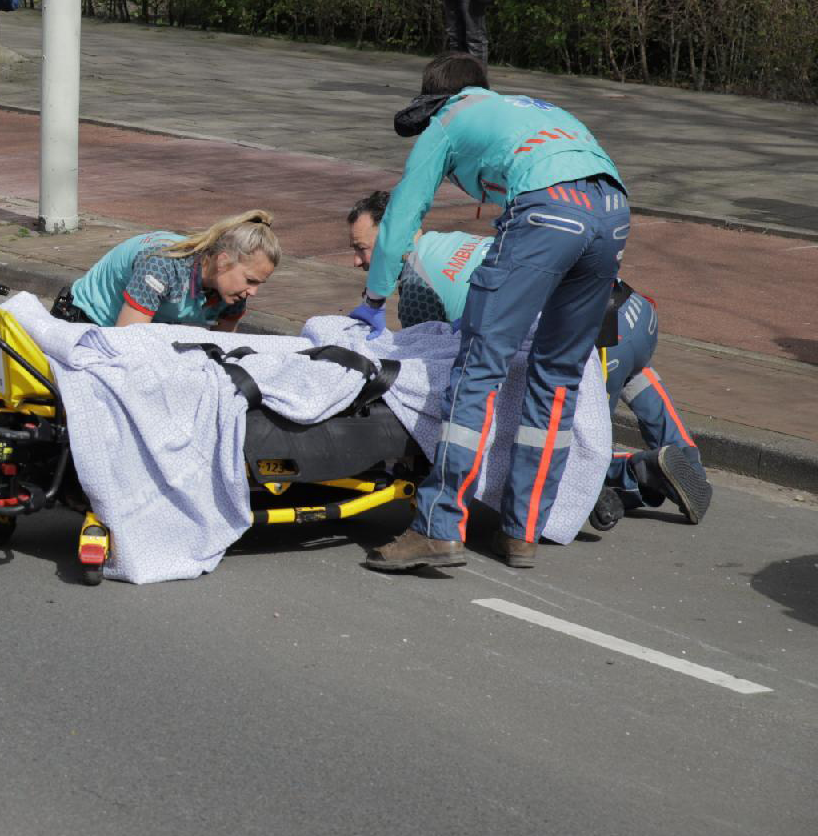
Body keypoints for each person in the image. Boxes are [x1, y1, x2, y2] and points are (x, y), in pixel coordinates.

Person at [352, 52, 631, 572]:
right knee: (557, 377)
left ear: (436, 98)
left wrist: (372, 301)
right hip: (612, 210)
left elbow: (402, 214)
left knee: (478, 368)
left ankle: (437, 527)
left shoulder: (448, 118)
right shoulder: (534, 108)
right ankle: (522, 532)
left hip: (548, 209)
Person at [345, 191, 711, 527]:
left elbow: (432, 368)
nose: (358, 261)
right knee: (635, 373)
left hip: (582, 336)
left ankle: (641, 472)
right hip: (631, 312)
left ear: (395, 235)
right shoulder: (449, 242)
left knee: (558, 443)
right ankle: (690, 463)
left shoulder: (417, 285)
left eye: (363, 248)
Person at [52, 212, 280, 332]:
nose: (254, 292)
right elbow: (127, 343)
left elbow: (223, 352)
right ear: (222, 261)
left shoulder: (234, 290)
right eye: (251, 280)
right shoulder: (162, 264)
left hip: (147, 328)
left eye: (259, 283)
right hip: (85, 321)